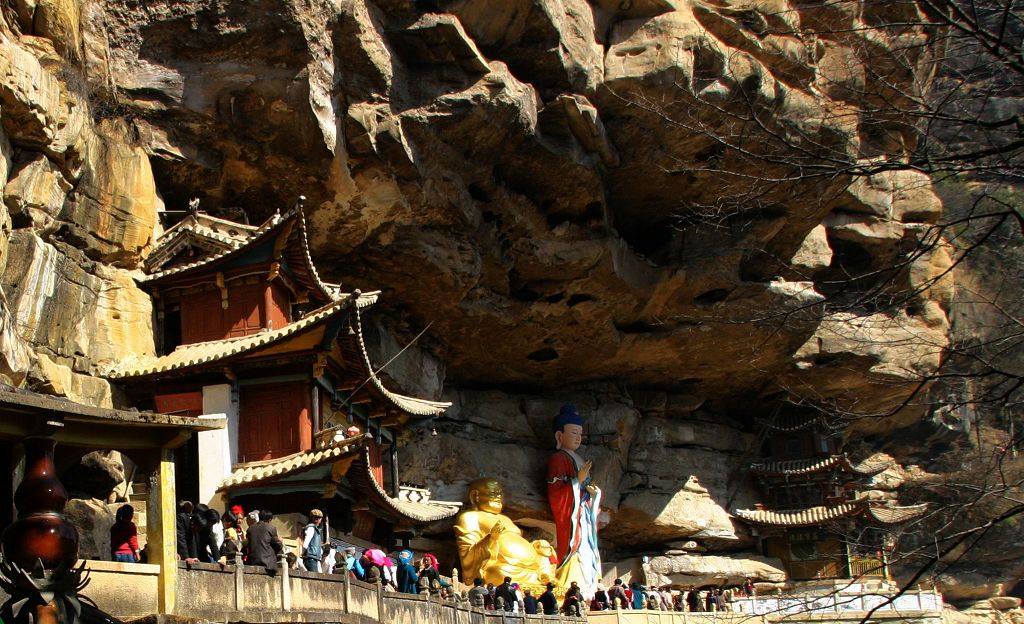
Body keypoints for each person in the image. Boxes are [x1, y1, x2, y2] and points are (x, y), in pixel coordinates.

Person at [454, 478, 557, 586]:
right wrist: (491, 538)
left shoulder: (506, 519)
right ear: (475, 496)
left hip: (533, 568)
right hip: (505, 570)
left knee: (545, 549)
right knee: (497, 573)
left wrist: (536, 546)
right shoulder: (470, 517)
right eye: (493, 493)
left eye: (500, 493)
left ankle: (544, 576)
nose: (498, 496)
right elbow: (467, 557)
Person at [547, 404, 602, 595]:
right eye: (573, 433)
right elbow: (556, 491)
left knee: (587, 547)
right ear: (559, 436)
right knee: (576, 548)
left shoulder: (578, 458)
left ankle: (589, 586)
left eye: (580, 434)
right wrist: (578, 480)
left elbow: (583, 488)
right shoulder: (558, 458)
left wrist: (594, 494)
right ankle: (572, 584)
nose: (578, 437)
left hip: (583, 512)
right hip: (571, 514)